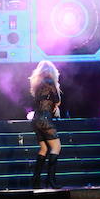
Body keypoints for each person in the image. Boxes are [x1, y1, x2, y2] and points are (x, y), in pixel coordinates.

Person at [29, 60, 62, 189]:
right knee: (56, 148)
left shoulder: (37, 85)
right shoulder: (50, 82)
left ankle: (35, 180)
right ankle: (50, 180)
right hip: (45, 119)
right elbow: (57, 101)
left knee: (43, 149)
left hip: (36, 120)